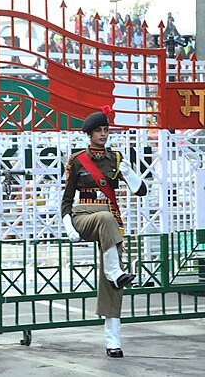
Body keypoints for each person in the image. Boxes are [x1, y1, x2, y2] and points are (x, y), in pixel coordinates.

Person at [61, 107, 147, 358]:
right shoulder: (77, 161)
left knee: (114, 289)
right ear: (89, 134)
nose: (103, 134)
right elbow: (66, 199)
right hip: (84, 215)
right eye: (98, 131)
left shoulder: (116, 159)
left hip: (111, 220)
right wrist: (68, 226)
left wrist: (131, 174)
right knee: (107, 220)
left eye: (106, 130)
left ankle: (113, 342)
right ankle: (115, 272)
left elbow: (140, 192)